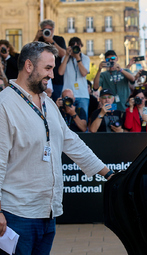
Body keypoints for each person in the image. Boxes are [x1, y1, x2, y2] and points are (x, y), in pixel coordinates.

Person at [0, 41, 114, 254]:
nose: (53, 75)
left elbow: (72, 143)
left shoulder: (48, 103)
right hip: (16, 216)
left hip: (47, 214)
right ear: (28, 66)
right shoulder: (4, 104)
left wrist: (109, 174)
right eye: (48, 68)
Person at [34, 19, 66, 102]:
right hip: (42, 77)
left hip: (57, 78)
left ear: (53, 29)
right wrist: (37, 37)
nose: (48, 31)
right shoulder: (39, 40)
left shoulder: (59, 39)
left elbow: (63, 54)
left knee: (56, 102)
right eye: (45, 29)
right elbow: (31, 53)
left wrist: (52, 42)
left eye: (50, 29)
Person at [58, 37, 90, 120]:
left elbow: (83, 73)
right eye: (73, 45)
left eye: (77, 45)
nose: (75, 47)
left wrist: (78, 58)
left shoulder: (85, 58)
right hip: (68, 94)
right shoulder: (65, 58)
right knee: (66, 119)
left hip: (82, 94)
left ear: (81, 46)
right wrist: (67, 55)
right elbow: (60, 72)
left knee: (82, 120)